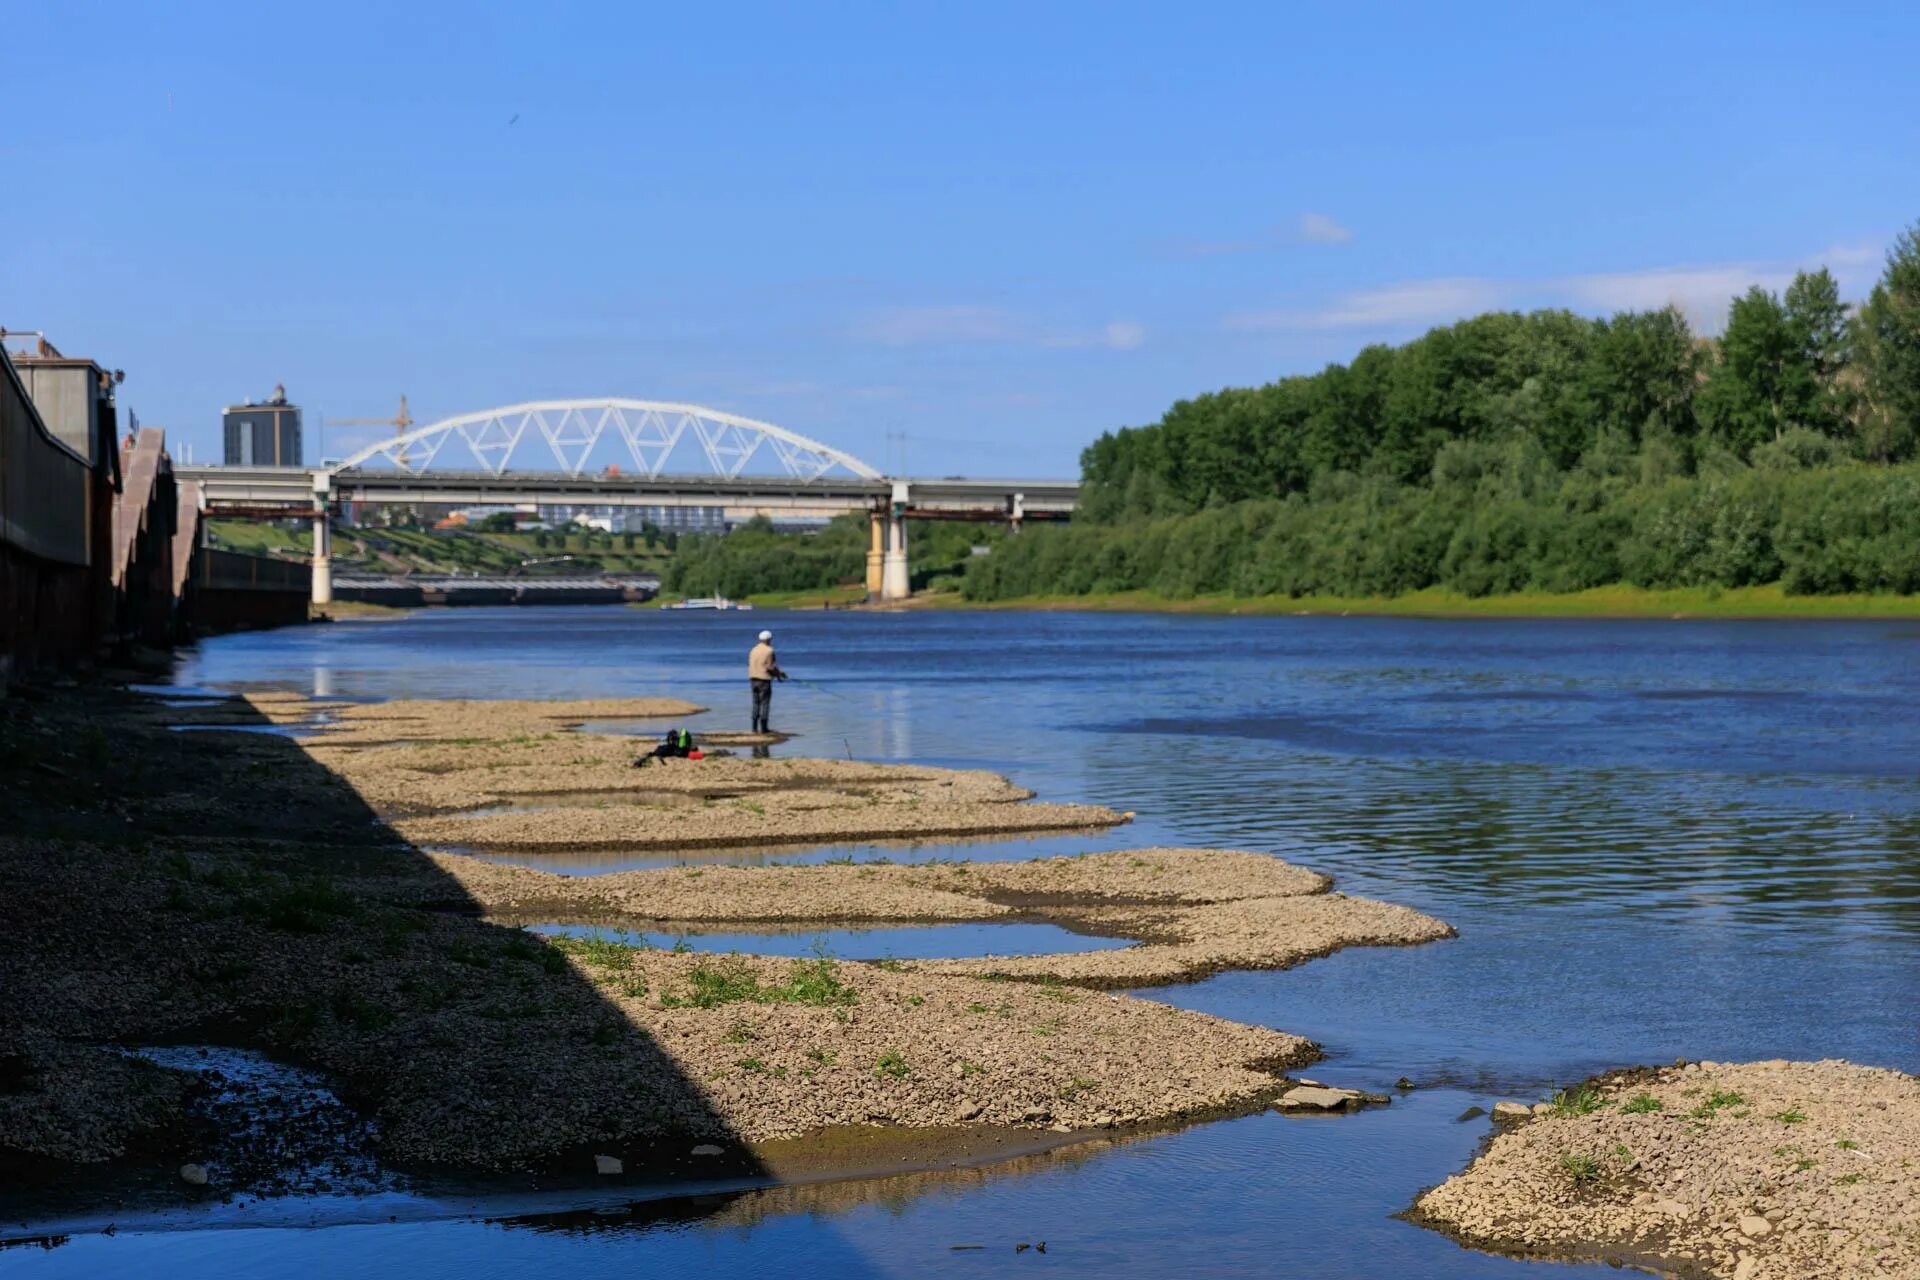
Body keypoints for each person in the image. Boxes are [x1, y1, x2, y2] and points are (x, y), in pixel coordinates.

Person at [748, 629, 786, 734]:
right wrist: (780, 675)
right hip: (764, 680)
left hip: (752, 679)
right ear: (768, 639)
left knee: (755, 703)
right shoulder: (769, 650)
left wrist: (778, 675)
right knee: (765, 704)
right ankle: (764, 729)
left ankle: (754, 728)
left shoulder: (753, 650)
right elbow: (770, 667)